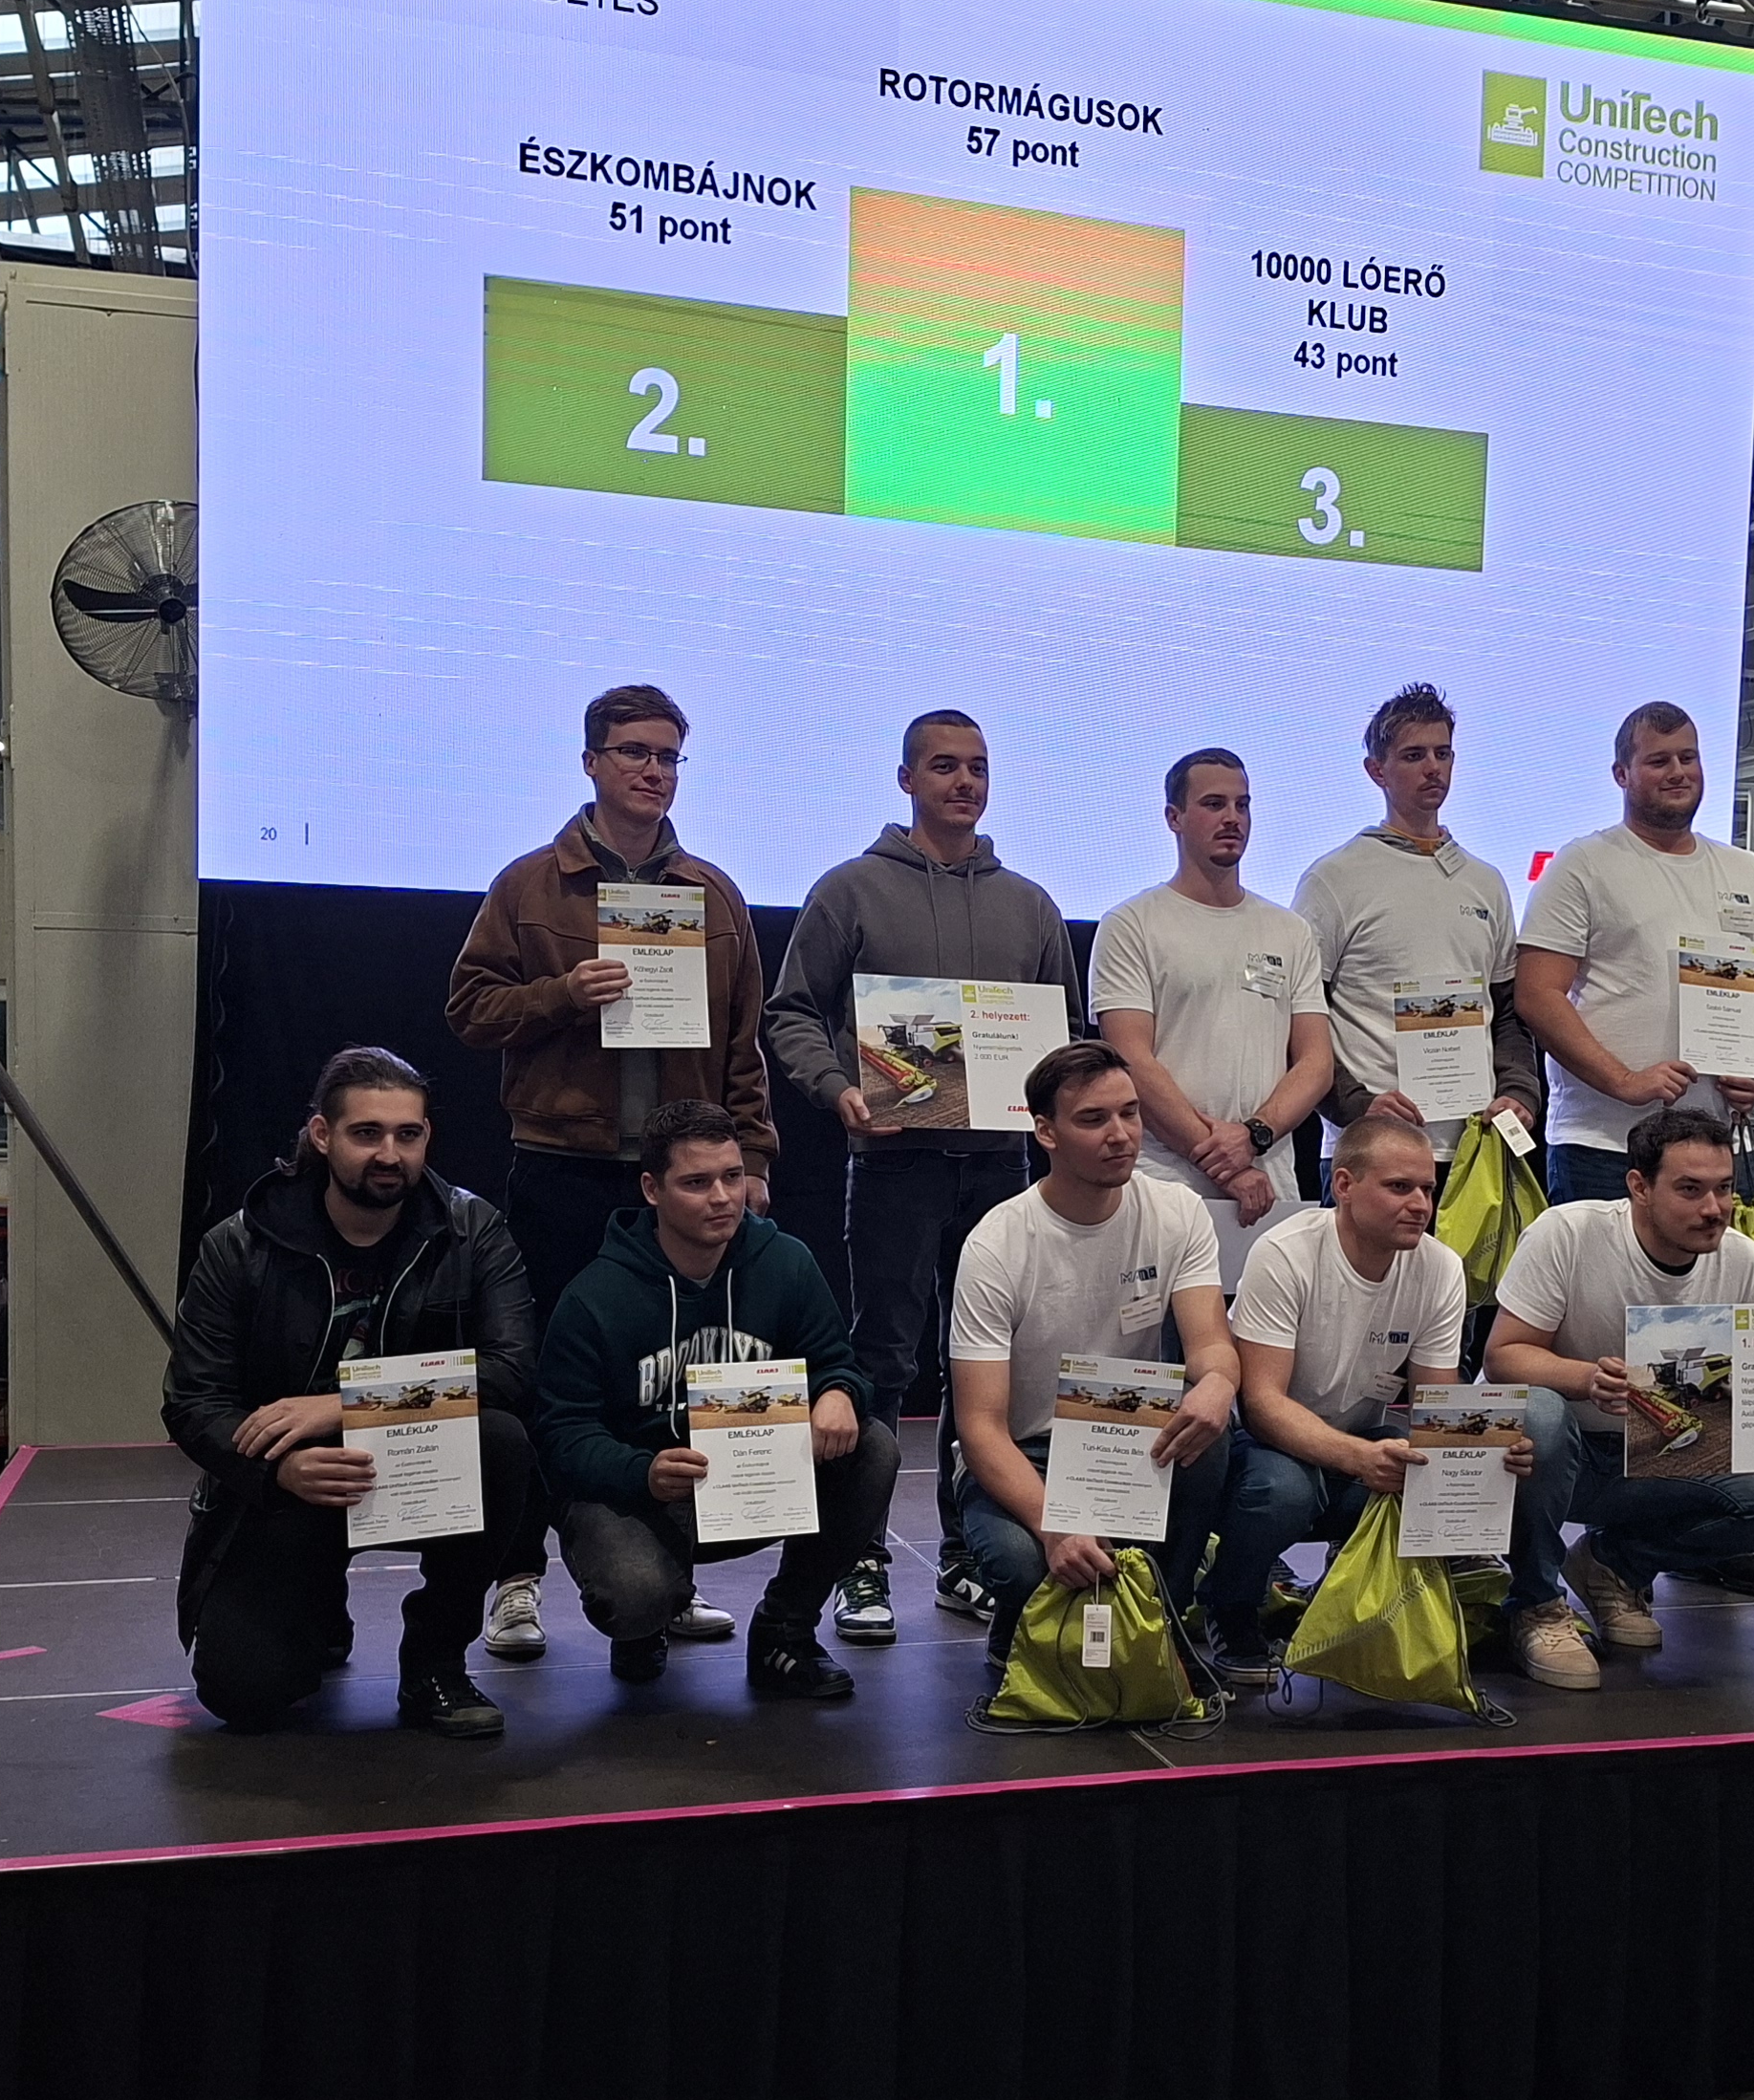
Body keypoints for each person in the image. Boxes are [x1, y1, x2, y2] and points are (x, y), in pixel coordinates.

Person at [445, 682, 774, 1663]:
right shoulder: (529, 885)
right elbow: (468, 1010)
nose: (652, 771)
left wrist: (752, 1161)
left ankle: (664, 1578)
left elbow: (744, 1047)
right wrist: (560, 992)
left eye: (668, 756)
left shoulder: (714, 895)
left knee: (674, 1377)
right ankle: (516, 1580)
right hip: (562, 1169)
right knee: (543, 1376)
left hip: (679, 1183)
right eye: (634, 751)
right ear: (591, 762)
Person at [764, 710, 1082, 1646]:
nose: (964, 782)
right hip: (894, 1165)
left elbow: (1065, 1038)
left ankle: (964, 1555)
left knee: (983, 1363)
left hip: (999, 1168)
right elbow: (791, 1013)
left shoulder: (1029, 904)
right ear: (906, 779)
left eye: (977, 766)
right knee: (884, 1361)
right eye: (944, 766)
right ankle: (857, 1561)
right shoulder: (850, 889)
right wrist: (836, 1089)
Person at [162, 1047, 533, 1739]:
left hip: (422, 1466)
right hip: (294, 1479)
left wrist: (346, 1406)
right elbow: (193, 1402)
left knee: (502, 1443)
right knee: (248, 1694)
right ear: (322, 1135)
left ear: (427, 1137)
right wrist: (278, 1472)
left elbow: (510, 1371)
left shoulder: (473, 1230)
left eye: (407, 1134)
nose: (389, 1154)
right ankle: (317, 1608)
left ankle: (435, 1662)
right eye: (367, 1133)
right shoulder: (238, 1245)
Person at [531, 1099, 890, 1701]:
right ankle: (647, 1620)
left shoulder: (785, 1262)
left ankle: (784, 1631)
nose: (723, 1197)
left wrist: (838, 1391)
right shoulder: (595, 1296)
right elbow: (562, 1434)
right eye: (696, 1183)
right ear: (652, 1189)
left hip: (754, 1484)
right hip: (642, 1495)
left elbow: (837, 1360)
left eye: (732, 1176)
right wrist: (641, 1471)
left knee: (872, 1448)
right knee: (636, 1595)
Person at [1482, 1104, 1754, 1684]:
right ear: (1639, 1187)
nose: (1714, 1208)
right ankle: (1535, 1603)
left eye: (1724, 1189)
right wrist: (1586, 1379)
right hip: (1552, 1453)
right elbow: (1503, 1357)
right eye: (1690, 1190)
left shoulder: (1744, 1260)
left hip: (1655, 1452)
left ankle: (1614, 1565)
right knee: (1539, 1411)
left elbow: (1736, 1391)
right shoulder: (1567, 1233)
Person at [1206, 1112, 1531, 1681]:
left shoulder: (1440, 1267)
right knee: (1283, 1490)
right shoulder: (1285, 1253)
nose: (1420, 1205)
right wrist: (1361, 1458)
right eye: (1400, 1187)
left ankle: (1348, 1591)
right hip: (1261, 1443)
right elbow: (1261, 1404)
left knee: (1428, 1469)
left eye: (1427, 1188)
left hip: (1360, 1432)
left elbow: (1436, 1406)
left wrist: (1483, 1450)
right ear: (1344, 1185)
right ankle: (1229, 1605)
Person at [945, 1041, 1241, 1657]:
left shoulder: (1177, 1211)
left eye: (1130, 1113)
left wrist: (1219, 1382)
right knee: (1025, 1565)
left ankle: (1162, 1622)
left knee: (1209, 1428)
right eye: (1093, 1119)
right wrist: (1054, 1525)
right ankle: (1020, 1628)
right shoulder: (997, 1244)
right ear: (1046, 1132)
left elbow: (1211, 1343)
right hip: (1026, 1453)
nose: (1121, 1135)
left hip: (1129, 1438)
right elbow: (979, 1428)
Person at [1515, 702, 1754, 1206]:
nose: (1678, 772)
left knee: (1720, 1265)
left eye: (1688, 758)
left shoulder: (1748, 873)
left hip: (1714, 1148)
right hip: (1603, 1145)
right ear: (1621, 774)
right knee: (1598, 1265)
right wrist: (1624, 1081)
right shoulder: (1582, 866)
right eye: (1659, 761)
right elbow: (1537, 994)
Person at [1091, 749, 1332, 1293]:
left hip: (1268, 1188)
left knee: (1259, 1344)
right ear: (1173, 817)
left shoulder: (1288, 931)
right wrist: (1226, 1162)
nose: (1232, 818)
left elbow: (1316, 1063)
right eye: (1214, 804)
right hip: (1164, 1185)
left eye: (1242, 805)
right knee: (1163, 1345)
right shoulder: (1132, 925)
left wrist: (1253, 1137)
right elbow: (1131, 1060)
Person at [1292, 683, 1545, 1166]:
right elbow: (1299, 1018)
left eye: (1442, 753)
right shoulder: (1333, 879)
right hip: (1370, 1149)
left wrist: (1518, 1092)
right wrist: (1358, 1106)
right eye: (1414, 755)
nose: (1433, 767)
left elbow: (1508, 1013)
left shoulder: (1485, 881)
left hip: (1475, 1149)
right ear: (1376, 770)